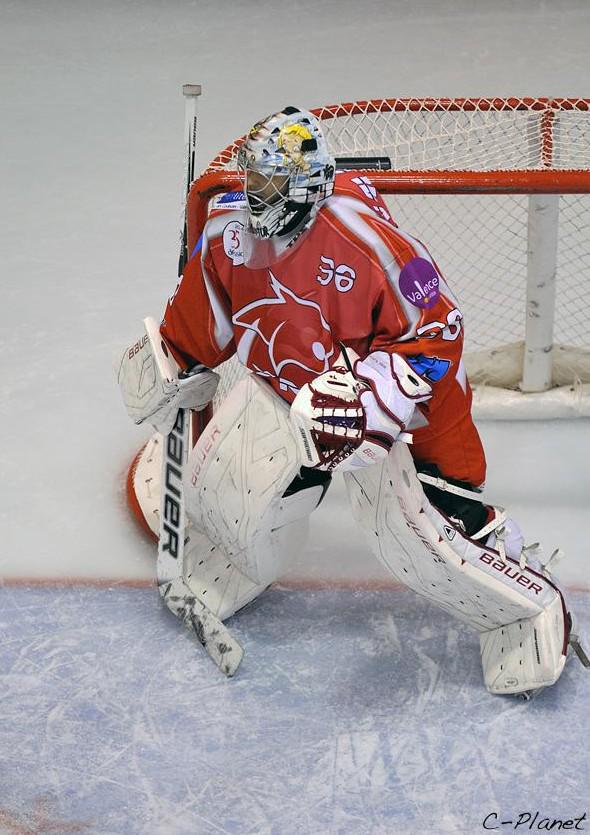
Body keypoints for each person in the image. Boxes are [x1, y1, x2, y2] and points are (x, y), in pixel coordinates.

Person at [118, 107, 587, 695]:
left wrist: (370, 403)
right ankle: (233, 566)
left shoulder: (371, 242)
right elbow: (202, 316)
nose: (255, 194)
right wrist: (171, 362)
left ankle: (529, 607)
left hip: (401, 411)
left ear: (307, 185)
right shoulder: (226, 234)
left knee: (421, 539)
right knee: (230, 497)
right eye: (252, 179)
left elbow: (440, 333)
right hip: (288, 393)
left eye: (271, 183)